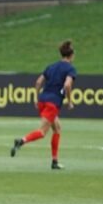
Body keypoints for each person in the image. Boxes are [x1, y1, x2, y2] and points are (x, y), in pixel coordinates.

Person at [11, 41, 77, 170]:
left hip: (42, 100)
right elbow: (68, 85)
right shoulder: (70, 69)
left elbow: (38, 82)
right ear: (71, 55)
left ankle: (54, 161)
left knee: (57, 128)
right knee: (42, 132)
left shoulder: (51, 66)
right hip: (52, 103)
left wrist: (36, 98)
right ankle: (21, 141)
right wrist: (69, 101)